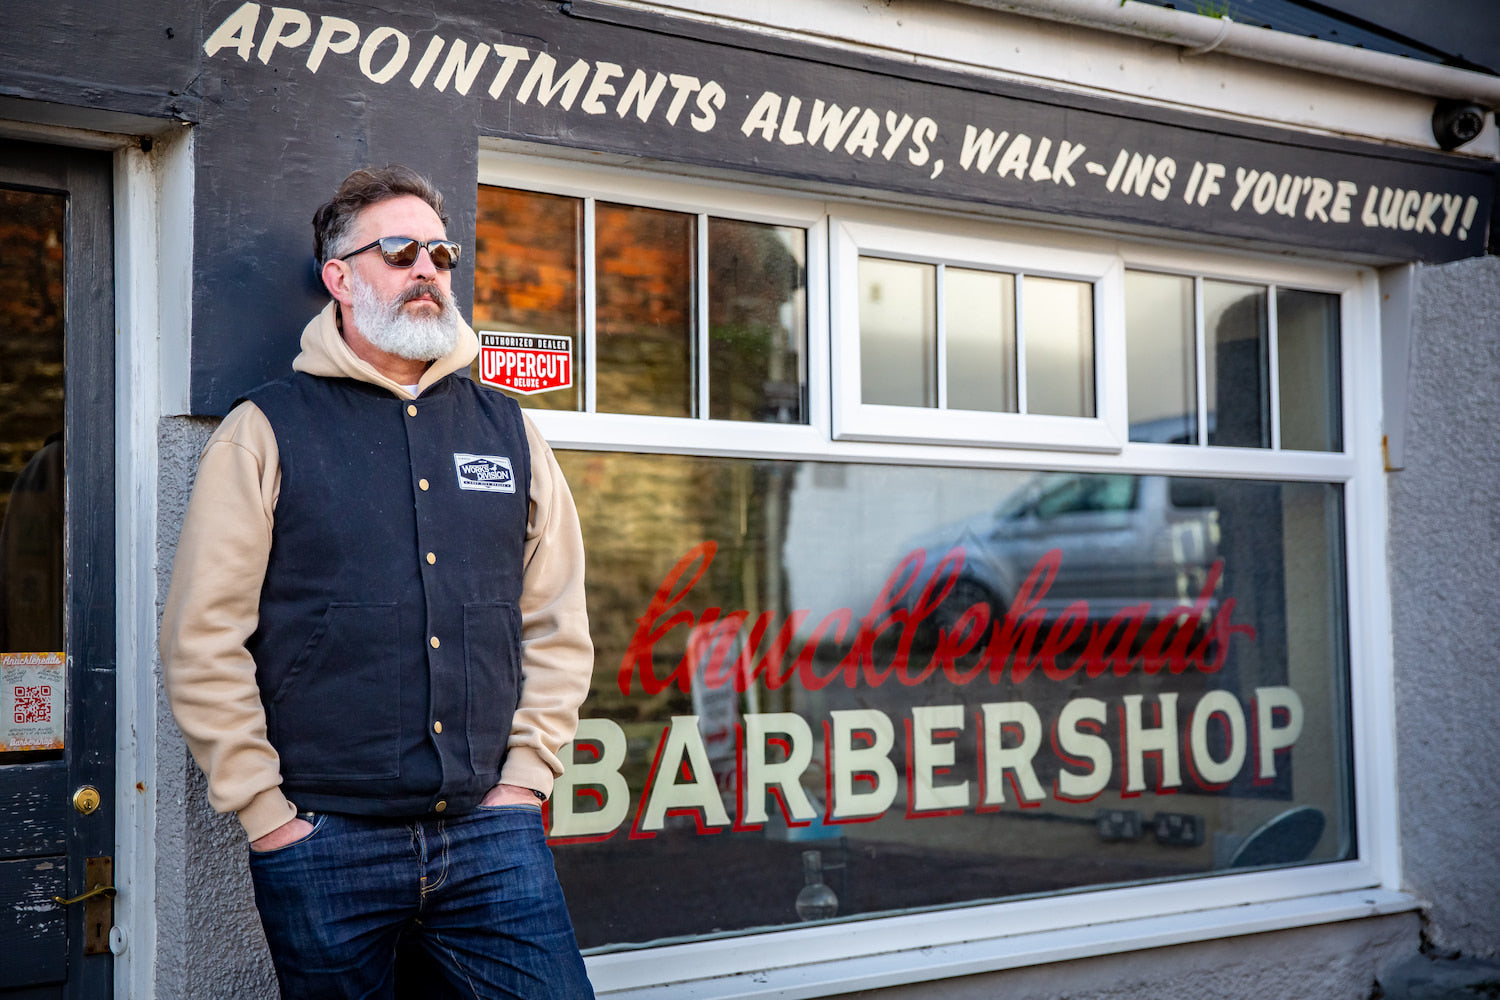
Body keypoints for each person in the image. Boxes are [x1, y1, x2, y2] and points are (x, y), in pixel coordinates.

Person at [160, 165, 595, 999]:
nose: (426, 268)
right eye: (399, 251)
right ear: (340, 277)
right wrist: (269, 817)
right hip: (325, 841)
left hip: (490, 834)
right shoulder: (266, 429)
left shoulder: (509, 429)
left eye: (440, 252)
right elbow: (202, 640)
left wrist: (525, 781)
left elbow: (557, 621)